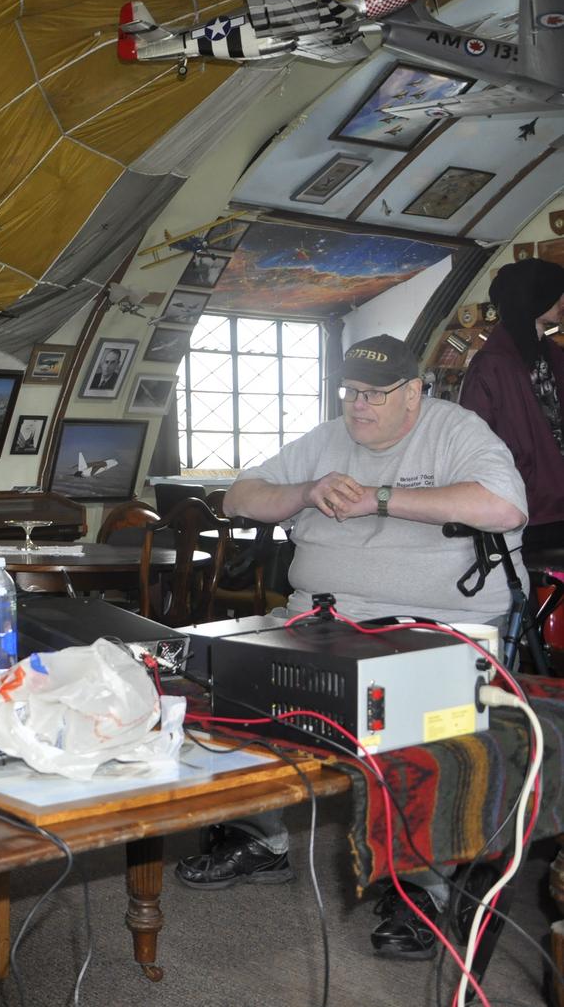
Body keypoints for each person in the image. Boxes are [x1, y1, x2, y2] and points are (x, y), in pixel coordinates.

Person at [178, 333, 527, 960]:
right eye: (349, 392)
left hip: (435, 626)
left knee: (419, 736)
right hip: (318, 618)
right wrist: (306, 492)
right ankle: (261, 838)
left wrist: (382, 499)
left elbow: (503, 508)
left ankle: (423, 887)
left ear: (415, 392)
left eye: (374, 394)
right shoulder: (326, 438)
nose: (358, 407)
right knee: (222, 681)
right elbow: (239, 496)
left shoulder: (458, 431)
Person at [460, 258, 564, 556]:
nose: (562, 300)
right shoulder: (491, 366)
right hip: (524, 507)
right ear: (533, 297)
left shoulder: (552, 354)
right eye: (554, 293)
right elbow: (473, 443)